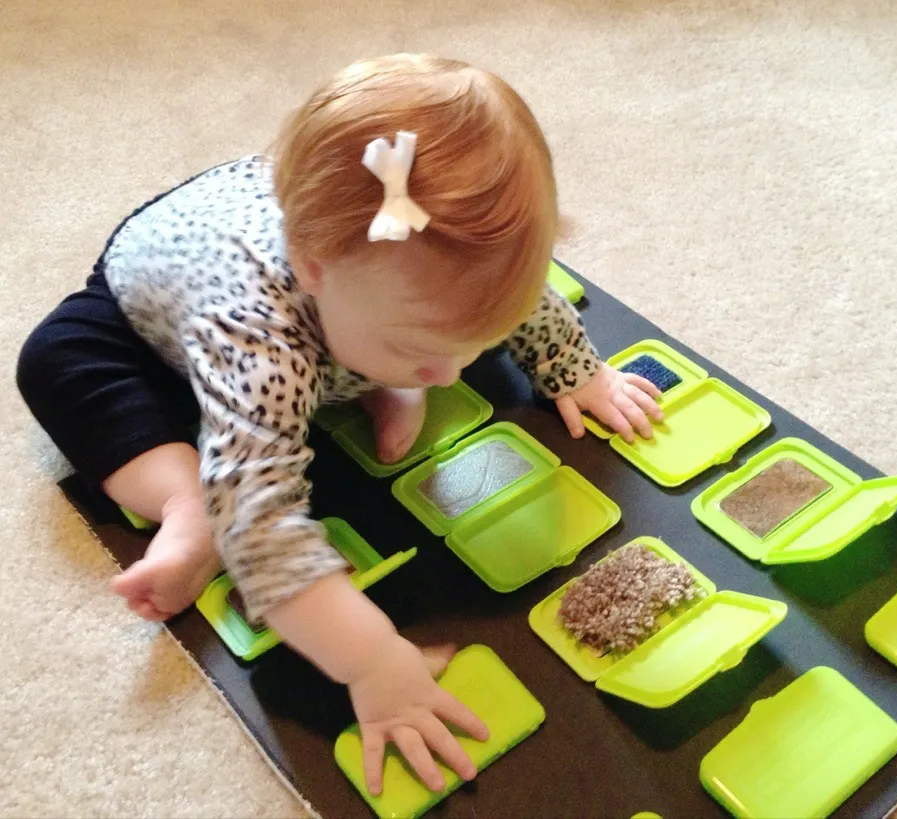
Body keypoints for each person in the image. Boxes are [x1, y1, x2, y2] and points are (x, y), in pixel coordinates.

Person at [16, 53, 664, 795]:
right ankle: (186, 501)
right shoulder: (256, 339)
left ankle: (373, 371)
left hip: (323, 296)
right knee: (57, 359)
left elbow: (527, 296)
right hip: (151, 320)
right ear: (315, 270)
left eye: (469, 343)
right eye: (417, 352)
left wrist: (576, 370)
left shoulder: (407, 282)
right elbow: (263, 537)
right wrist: (373, 662)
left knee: (447, 321)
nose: (454, 373)